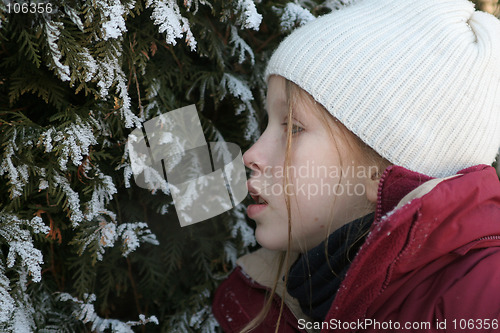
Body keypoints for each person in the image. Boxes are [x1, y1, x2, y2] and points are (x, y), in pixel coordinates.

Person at [212, 0, 500, 332]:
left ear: (380, 173)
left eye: (293, 128)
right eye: (268, 123)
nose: (251, 155)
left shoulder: (483, 299)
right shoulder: (277, 300)